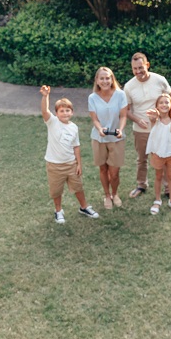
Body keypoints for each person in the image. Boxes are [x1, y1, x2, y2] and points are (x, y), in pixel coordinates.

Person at [39, 85, 100, 224]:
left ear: (72, 112)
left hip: (71, 164)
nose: (65, 113)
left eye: (67, 110)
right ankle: (58, 211)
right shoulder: (52, 122)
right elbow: (44, 110)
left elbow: (76, 146)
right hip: (54, 165)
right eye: (61, 111)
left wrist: (79, 164)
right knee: (56, 191)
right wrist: (45, 96)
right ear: (56, 113)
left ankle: (84, 207)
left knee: (78, 187)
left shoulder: (74, 127)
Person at [124, 52, 171, 199]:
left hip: (162, 128)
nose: (138, 71)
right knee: (142, 159)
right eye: (135, 69)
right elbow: (126, 111)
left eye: (140, 67)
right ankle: (141, 185)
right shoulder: (129, 86)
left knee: (165, 157)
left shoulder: (159, 80)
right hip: (141, 130)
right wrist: (137, 120)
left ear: (147, 65)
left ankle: (168, 189)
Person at [88, 67, 128, 210]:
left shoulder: (120, 95)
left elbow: (123, 116)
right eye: (102, 78)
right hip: (99, 139)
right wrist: (100, 129)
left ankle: (115, 193)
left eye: (107, 78)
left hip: (116, 139)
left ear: (112, 79)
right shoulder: (92, 97)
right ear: (97, 80)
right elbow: (95, 119)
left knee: (114, 173)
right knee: (103, 169)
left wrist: (120, 129)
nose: (105, 81)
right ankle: (107, 195)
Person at [146, 93, 171, 215]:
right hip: (158, 153)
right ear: (157, 105)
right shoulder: (155, 119)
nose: (164, 105)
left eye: (167, 102)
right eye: (161, 103)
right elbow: (152, 117)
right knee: (158, 176)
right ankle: (157, 200)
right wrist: (154, 115)